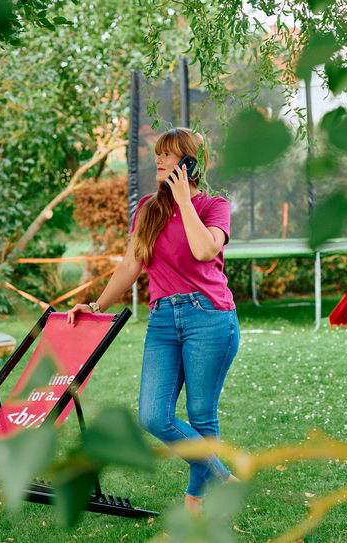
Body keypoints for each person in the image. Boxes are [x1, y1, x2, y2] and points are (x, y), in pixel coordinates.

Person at [67, 127, 240, 514]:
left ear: (190, 162)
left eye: (168, 154)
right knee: (153, 415)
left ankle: (195, 501)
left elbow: (202, 248)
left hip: (209, 318)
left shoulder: (214, 205)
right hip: (162, 320)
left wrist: (184, 199)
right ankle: (223, 477)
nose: (158, 160)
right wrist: (96, 305)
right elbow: (131, 264)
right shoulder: (148, 207)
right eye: (158, 153)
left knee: (200, 415)